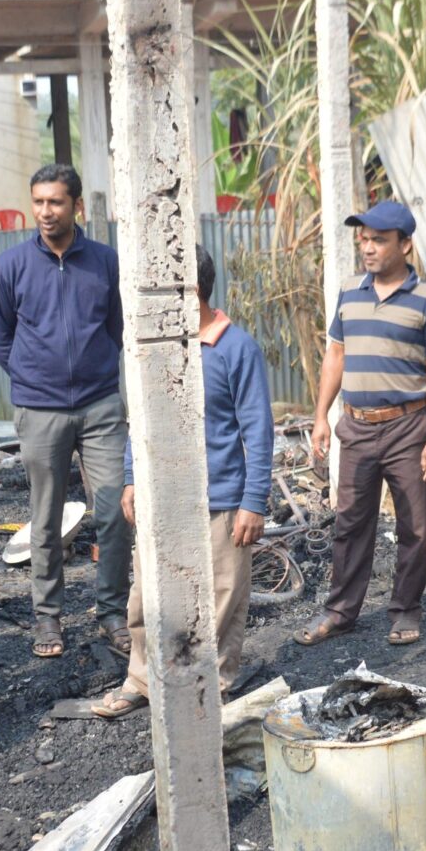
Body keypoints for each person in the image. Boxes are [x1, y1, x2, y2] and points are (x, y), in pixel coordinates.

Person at [98, 246, 273, 717]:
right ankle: (141, 680)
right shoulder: (153, 348)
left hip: (221, 501)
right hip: (162, 499)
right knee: (145, 598)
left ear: (190, 292)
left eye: (163, 289)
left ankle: (208, 689)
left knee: (222, 598)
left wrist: (253, 501)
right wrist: (133, 479)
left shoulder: (236, 348)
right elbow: (143, 420)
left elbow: (257, 430)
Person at [0, 163, 132, 660]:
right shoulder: (10, 267)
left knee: (114, 510)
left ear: (77, 207)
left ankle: (112, 611)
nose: (46, 212)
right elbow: (0, 338)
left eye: (56, 202)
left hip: (100, 405)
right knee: (45, 520)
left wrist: (95, 372)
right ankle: (48, 618)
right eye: (39, 202)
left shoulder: (105, 262)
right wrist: (32, 378)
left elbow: (116, 328)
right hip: (39, 409)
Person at [295, 200, 426, 648]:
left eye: (379, 240)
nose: (367, 248)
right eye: (363, 239)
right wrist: (321, 415)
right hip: (357, 427)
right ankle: (340, 612)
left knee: (413, 527)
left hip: (408, 430)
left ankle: (405, 611)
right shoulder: (350, 291)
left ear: (405, 244)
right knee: (350, 523)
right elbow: (336, 355)